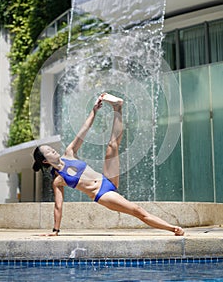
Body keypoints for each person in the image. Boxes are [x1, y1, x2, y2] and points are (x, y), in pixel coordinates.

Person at [32, 92, 184, 236]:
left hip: (108, 179)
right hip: (102, 194)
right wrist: (55, 230)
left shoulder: (69, 153)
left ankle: (118, 107)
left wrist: (94, 111)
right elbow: (58, 206)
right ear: (45, 161)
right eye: (49, 152)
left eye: (51, 148)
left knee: (112, 145)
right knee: (137, 211)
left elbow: (84, 129)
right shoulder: (58, 180)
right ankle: (172, 228)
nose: (53, 150)